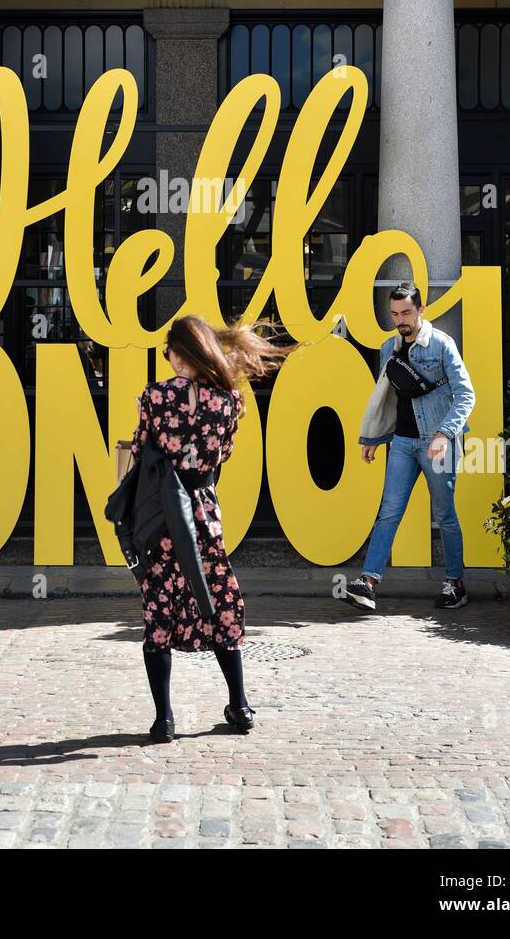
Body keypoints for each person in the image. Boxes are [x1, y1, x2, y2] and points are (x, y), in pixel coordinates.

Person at [129, 314, 292, 744]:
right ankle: (239, 704)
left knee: (158, 611)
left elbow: (142, 449)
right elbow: (223, 456)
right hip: (202, 517)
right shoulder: (230, 401)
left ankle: (164, 719)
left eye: (170, 353)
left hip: (161, 518)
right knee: (218, 603)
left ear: (182, 353)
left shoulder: (155, 396)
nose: (169, 360)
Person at [346, 282, 475, 613]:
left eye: (406, 312)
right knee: (389, 510)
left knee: (444, 513)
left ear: (421, 310)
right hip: (402, 442)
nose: (400, 319)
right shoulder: (389, 347)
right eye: (394, 314)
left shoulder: (442, 345)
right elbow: (386, 397)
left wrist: (446, 434)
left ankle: (455, 583)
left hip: (437, 441)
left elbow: (466, 395)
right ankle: (368, 581)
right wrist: (373, 438)